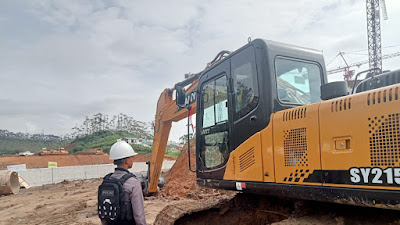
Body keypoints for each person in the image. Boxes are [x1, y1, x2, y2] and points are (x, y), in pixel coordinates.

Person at [100, 141, 146, 225]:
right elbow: (139, 215)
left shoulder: (107, 180)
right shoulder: (133, 182)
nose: (133, 159)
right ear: (127, 160)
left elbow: (103, 211)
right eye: (132, 157)